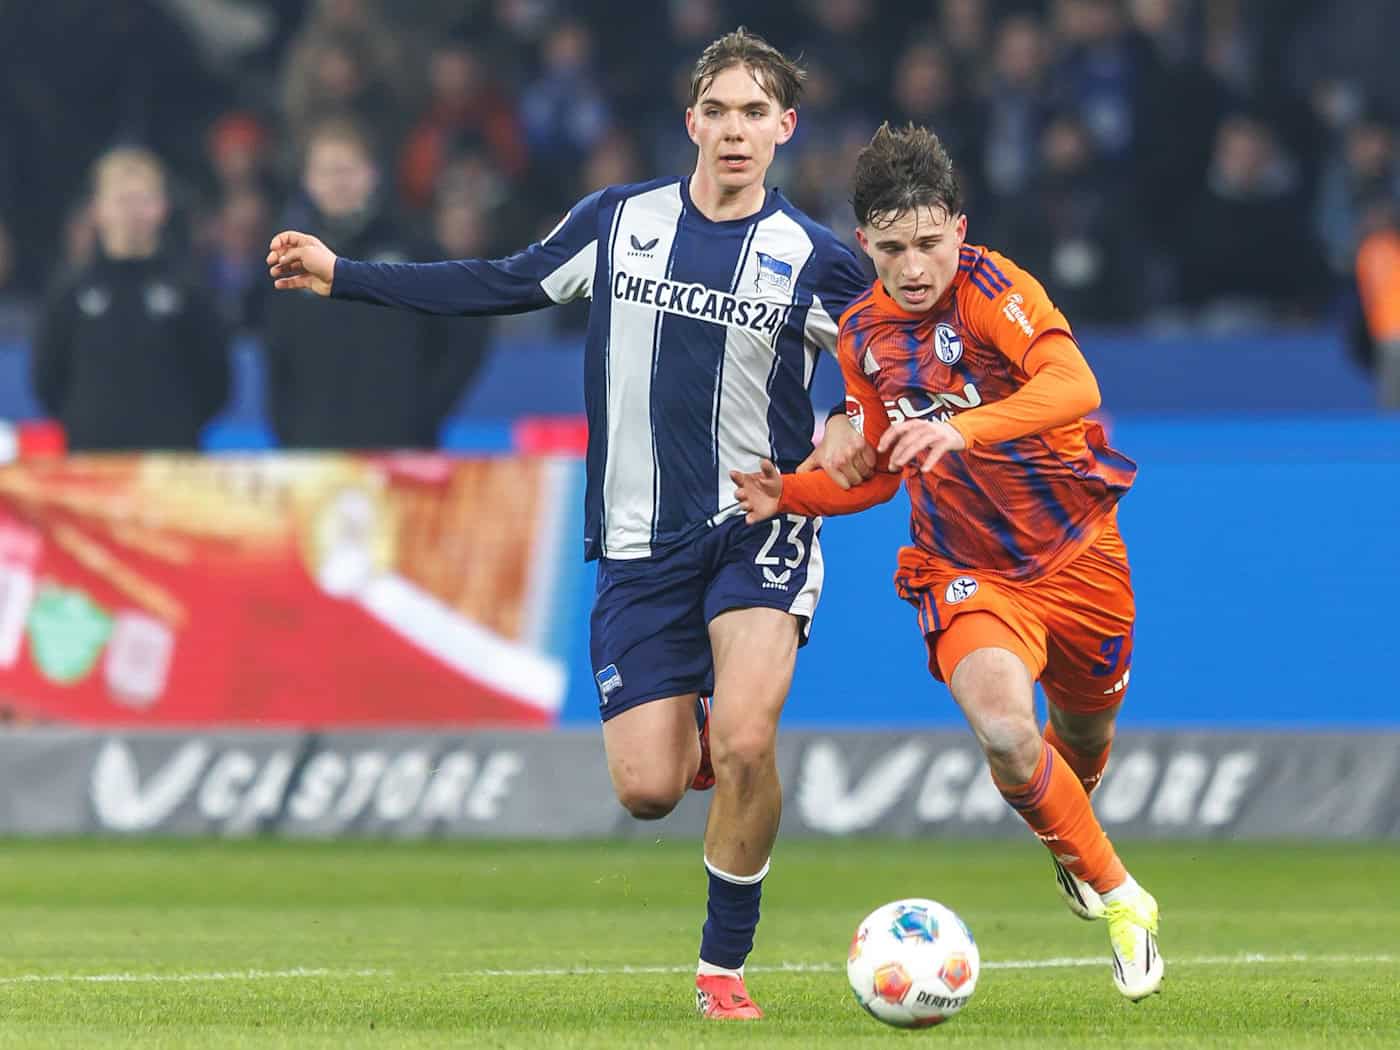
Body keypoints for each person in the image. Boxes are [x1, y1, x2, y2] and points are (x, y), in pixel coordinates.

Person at [267, 29, 872, 1018]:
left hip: (757, 526)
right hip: (637, 544)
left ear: (784, 129)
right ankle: (707, 743)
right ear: (689, 122)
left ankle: (721, 968)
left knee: (752, 739)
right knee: (647, 787)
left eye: (753, 113)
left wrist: (853, 418)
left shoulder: (816, 260)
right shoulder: (618, 220)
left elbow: (890, 362)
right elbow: (500, 282)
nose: (732, 130)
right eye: (715, 110)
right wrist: (348, 274)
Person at [731, 123, 1164, 1002]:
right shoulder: (862, 337)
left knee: (1079, 742)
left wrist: (958, 427)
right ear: (866, 246)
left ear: (959, 230)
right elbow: (883, 471)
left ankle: (1069, 839)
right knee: (1006, 728)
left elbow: (1074, 385)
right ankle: (1126, 899)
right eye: (892, 248)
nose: (914, 265)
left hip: (1080, 556)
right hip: (964, 569)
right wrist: (797, 494)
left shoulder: (996, 291)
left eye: (929, 242)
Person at [261, 117, 486, 449]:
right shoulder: (288, 259)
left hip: (402, 455)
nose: (338, 182)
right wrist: (291, 432)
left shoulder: (414, 248)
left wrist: (423, 417)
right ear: (307, 181)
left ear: (372, 174)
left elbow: (466, 334)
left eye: (347, 169)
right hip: (315, 459)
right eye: (326, 171)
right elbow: (276, 360)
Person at [32, 147, 230, 452]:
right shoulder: (70, 292)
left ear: (162, 207)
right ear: (97, 210)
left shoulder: (189, 291)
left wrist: (177, 424)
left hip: (171, 461)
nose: (131, 212)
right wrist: (88, 422)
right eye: (121, 200)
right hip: (92, 460)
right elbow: (47, 381)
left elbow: (217, 380)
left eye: (143, 200)